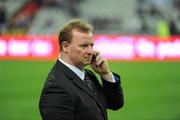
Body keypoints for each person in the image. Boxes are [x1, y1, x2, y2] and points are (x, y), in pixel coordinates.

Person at [39, 19, 124, 120]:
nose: (91, 51)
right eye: (84, 46)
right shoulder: (56, 88)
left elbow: (115, 103)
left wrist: (106, 74)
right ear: (65, 47)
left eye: (91, 45)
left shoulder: (88, 75)